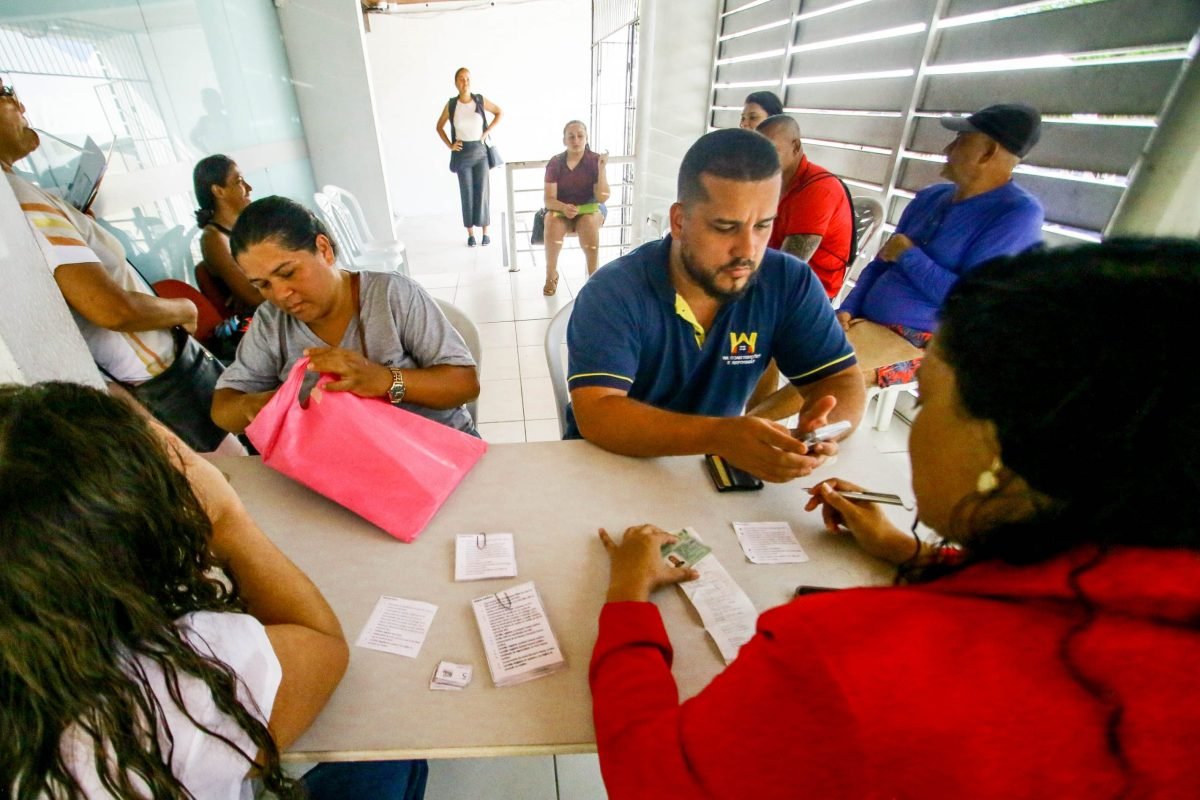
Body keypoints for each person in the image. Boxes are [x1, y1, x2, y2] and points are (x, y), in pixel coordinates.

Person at [589, 239, 1200, 798]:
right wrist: (917, 556)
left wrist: (627, 599)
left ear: (997, 447)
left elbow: (650, 777)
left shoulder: (842, 660)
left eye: (926, 400)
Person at [0, 381, 428, 799]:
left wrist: (393, 382)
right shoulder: (176, 687)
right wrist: (224, 515)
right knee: (394, 759)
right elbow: (321, 647)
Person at [565, 128, 864, 483]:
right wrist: (720, 435)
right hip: (607, 471)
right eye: (725, 227)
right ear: (680, 221)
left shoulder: (788, 281)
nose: (747, 249)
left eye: (763, 226)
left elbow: (841, 380)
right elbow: (598, 413)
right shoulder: (614, 291)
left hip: (704, 477)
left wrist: (821, 431)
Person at [0, 78, 242, 453]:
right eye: (7, 94)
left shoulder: (20, 196)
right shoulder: (19, 201)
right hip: (161, 381)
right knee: (242, 468)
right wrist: (183, 309)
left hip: (155, 377)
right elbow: (111, 309)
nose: (22, 106)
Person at [211, 196, 479, 434]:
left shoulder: (391, 296)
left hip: (439, 450)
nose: (280, 294)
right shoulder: (271, 323)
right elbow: (222, 408)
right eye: (262, 285)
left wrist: (386, 380)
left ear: (324, 249)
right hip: (351, 462)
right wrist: (253, 405)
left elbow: (464, 384)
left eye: (288, 273)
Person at [838, 102, 1045, 389]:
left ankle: (773, 415)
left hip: (930, 345)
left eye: (960, 141)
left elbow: (972, 301)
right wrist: (848, 308)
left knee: (833, 378)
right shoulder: (930, 197)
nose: (947, 149)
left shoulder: (1016, 214)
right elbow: (880, 264)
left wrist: (908, 255)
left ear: (988, 152)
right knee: (785, 339)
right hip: (866, 323)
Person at [747, 114, 856, 413]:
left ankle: (756, 417)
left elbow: (790, 267)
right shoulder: (772, 183)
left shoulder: (817, 188)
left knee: (758, 321)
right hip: (771, 272)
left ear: (795, 146)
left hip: (810, 287)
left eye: (770, 149)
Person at [435, 67, 503, 247]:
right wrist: (450, 145)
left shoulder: (479, 100)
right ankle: (471, 234)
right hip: (462, 154)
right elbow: (439, 126)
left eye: (467, 79)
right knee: (466, 193)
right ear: (455, 82)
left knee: (483, 192)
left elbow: (499, 112)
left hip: (480, 152)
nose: (465, 82)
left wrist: (487, 131)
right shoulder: (451, 105)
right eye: (461, 79)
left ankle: (485, 233)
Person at [542, 120, 611, 296]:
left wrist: (602, 169)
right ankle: (551, 274)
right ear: (564, 140)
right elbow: (549, 200)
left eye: (580, 136)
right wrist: (564, 207)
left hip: (591, 208)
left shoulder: (594, 160)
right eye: (571, 136)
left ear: (586, 138)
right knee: (551, 221)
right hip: (562, 208)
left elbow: (602, 197)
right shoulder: (555, 163)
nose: (576, 140)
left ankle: (593, 277)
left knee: (588, 221)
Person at [194, 154, 261, 317]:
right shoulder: (213, 238)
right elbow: (253, 297)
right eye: (239, 181)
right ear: (218, 191)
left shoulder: (246, 227)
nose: (249, 188)